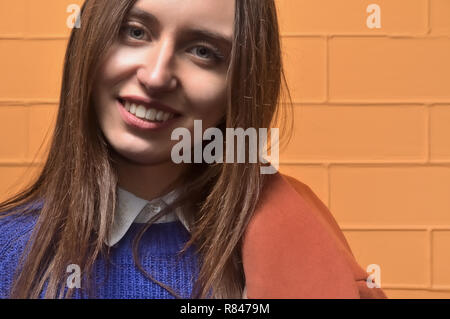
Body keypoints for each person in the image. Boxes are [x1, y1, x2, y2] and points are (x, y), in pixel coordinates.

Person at [0, 0, 386, 299]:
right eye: (135, 31)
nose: (155, 76)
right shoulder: (9, 249)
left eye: (203, 51)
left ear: (240, 85)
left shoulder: (291, 242)